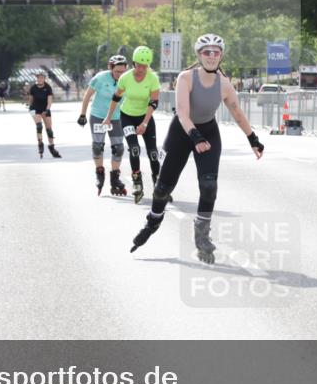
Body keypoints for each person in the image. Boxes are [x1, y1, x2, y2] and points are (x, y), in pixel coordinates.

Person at [130, 33, 265, 263]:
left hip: (208, 132)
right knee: (163, 188)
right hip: (182, 133)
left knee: (209, 184)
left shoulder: (224, 84)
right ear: (199, 55)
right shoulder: (186, 77)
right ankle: (153, 220)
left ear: (221, 55)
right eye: (206, 52)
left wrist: (253, 138)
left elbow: (237, 113)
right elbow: (182, 112)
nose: (212, 56)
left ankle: (202, 235)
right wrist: (194, 136)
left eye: (216, 52)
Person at [102, 46, 162, 203]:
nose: (142, 69)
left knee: (153, 153)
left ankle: (159, 186)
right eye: (139, 65)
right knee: (134, 149)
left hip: (145, 116)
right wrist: (108, 117)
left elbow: (154, 102)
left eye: (145, 66)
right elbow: (116, 98)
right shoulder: (125, 78)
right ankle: (137, 183)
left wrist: (145, 123)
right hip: (127, 116)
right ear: (134, 63)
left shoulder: (153, 78)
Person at [79, 55, 129, 195]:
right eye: (117, 72)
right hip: (98, 116)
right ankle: (100, 173)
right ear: (110, 68)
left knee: (118, 148)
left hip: (117, 117)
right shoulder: (100, 78)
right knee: (97, 146)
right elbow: (87, 96)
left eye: (123, 72)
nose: (120, 75)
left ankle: (115, 178)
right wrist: (82, 114)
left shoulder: (127, 80)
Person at [28, 71, 60, 158]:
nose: (40, 79)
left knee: (49, 130)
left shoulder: (48, 87)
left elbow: (50, 100)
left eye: (42, 77)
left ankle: (52, 147)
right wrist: (30, 108)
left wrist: (47, 109)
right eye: (39, 77)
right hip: (35, 109)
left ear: (44, 79)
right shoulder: (33, 88)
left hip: (45, 109)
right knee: (39, 126)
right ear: (37, 78)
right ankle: (40, 144)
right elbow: (31, 100)